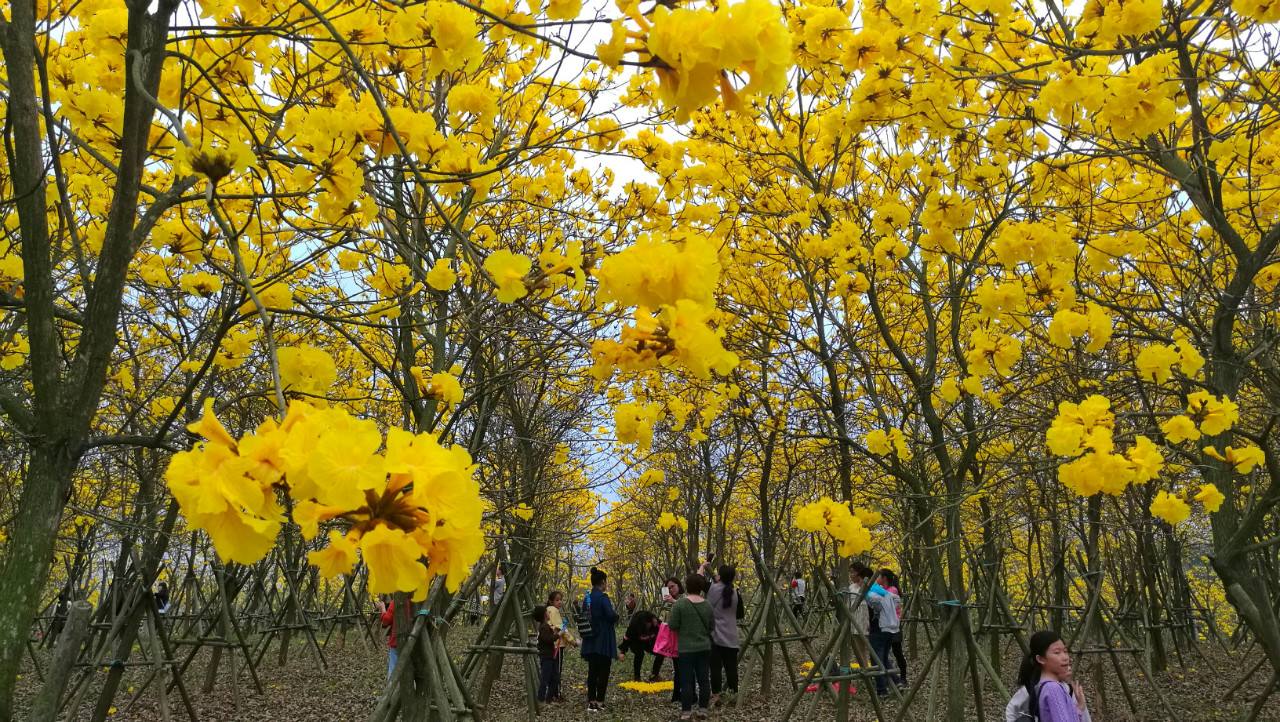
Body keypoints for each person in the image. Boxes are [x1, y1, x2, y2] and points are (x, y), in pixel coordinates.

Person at [1005, 630, 1091, 722]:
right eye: (1057, 652)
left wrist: (1079, 708)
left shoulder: (1046, 685)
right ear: (1041, 659)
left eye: (1065, 651)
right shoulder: (1053, 688)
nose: (1065, 657)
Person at [668, 573, 714, 721]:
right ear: (701, 587)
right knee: (704, 679)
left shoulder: (680, 604)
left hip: (686, 648)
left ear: (686, 586)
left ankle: (686, 712)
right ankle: (703, 709)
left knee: (687, 680)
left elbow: (673, 625)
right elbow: (712, 626)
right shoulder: (707, 605)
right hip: (704, 647)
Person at [580, 567, 618, 713]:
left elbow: (585, 615)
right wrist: (616, 617)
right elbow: (610, 615)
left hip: (590, 638)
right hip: (603, 639)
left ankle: (591, 701)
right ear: (602, 582)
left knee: (592, 671)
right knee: (604, 670)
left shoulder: (587, 598)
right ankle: (600, 700)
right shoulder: (603, 598)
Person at [707, 564, 745, 706]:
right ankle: (733, 695)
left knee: (715, 668)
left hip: (715, 635)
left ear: (720, 576)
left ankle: (716, 695)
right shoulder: (735, 592)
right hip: (731, 636)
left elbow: (707, 608)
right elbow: (740, 614)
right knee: (731, 668)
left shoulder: (714, 589)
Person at [866, 568, 900, 696]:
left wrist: (879, 613)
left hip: (883, 627)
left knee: (878, 658)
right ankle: (896, 682)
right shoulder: (881, 590)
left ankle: (882, 688)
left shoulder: (883, 591)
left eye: (879, 576)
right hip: (888, 626)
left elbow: (881, 603)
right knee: (884, 657)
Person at [880, 570, 907, 685]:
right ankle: (889, 678)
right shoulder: (884, 590)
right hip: (885, 625)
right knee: (885, 652)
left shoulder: (892, 590)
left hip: (893, 625)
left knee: (897, 652)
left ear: (884, 578)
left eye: (879, 576)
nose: (878, 578)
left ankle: (903, 677)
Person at [619, 609, 662, 681]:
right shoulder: (634, 625)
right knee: (639, 654)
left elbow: (665, 629)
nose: (649, 626)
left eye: (650, 624)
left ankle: (654, 675)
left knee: (660, 653)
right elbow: (627, 637)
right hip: (635, 641)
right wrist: (622, 652)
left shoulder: (654, 621)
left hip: (648, 642)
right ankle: (637, 677)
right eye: (647, 624)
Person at [848, 563, 873, 667]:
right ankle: (865, 669)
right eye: (850, 572)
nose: (851, 575)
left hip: (866, 619)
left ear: (859, 573)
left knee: (871, 648)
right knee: (858, 648)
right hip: (854, 620)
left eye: (853, 572)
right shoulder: (851, 587)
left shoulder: (868, 586)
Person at [534, 605, 561, 703]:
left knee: (555, 678)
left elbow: (548, 637)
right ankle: (541, 699)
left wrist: (554, 633)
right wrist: (558, 635)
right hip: (547, 656)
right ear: (544, 615)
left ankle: (548, 698)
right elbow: (547, 639)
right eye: (547, 612)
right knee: (545, 678)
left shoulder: (545, 626)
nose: (549, 613)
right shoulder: (544, 626)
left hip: (550, 655)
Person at [377, 596, 398, 680]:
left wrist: (382, 608)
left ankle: (392, 691)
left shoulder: (396, 601)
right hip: (415, 640)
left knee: (393, 668)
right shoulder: (417, 599)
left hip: (397, 641)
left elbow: (386, 620)